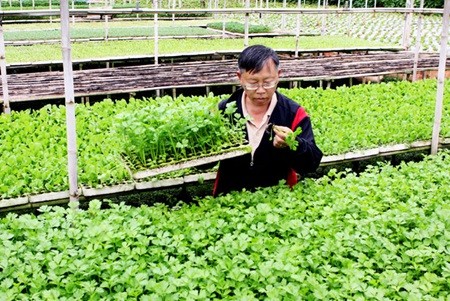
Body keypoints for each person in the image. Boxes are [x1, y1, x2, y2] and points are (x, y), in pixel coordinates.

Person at [213, 45, 323, 196]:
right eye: (252, 83)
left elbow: (312, 164)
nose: (260, 90)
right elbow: (204, 165)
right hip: (229, 200)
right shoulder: (223, 111)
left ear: (278, 75)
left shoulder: (293, 113)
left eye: (267, 82)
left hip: (278, 201)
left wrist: (293, 143)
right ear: (240, 78)